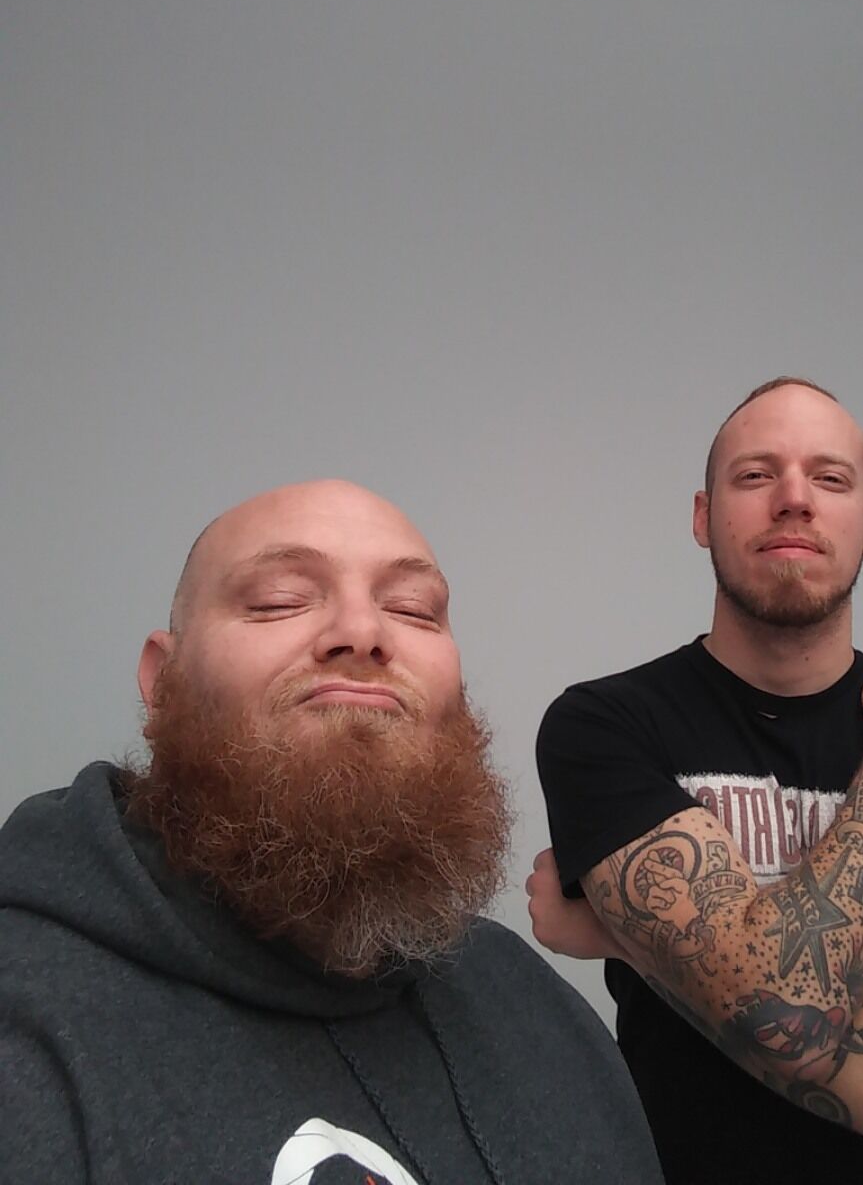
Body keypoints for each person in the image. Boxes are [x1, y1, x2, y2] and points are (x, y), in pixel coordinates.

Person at [0, 478, 664, 1185]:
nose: (363, 632)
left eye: (412, 609)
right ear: (163, 681)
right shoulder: (26, 1029)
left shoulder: (529, 1000)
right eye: (279, 600)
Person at [530, 378, 863, 1185]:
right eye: (756, 474)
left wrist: (627, 938)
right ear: (703, 517)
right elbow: (779, 1012)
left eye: (830, 478)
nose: (794, 499)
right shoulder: (604, 727)